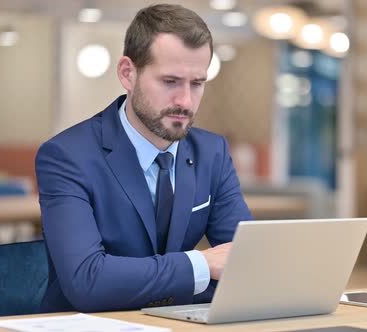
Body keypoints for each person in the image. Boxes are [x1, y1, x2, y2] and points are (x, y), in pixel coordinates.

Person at [35, 4, 253, 313]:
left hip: (176, 321)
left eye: (197, 83)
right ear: (128, 73)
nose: (185, 101)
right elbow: (88, 281)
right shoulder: (67, 156)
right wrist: (202, 265)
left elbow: (247, 264)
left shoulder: (212, 152)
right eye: (170, 81)